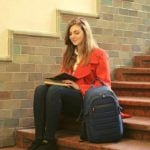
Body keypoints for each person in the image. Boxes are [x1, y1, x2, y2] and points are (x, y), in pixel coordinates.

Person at [28, 17, 111, 150]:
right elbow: (64, 77)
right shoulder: (69, 54)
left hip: (86, 100)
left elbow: (105, 85)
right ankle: (39, 139)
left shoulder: (100, 54)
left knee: (55, 91)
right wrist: (59, 82)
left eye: (76, 32)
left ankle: (49, 141)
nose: (72, 36)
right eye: (70, 33)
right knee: (41, 90)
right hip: (67, 96)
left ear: (85, 33)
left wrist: (80, 87)